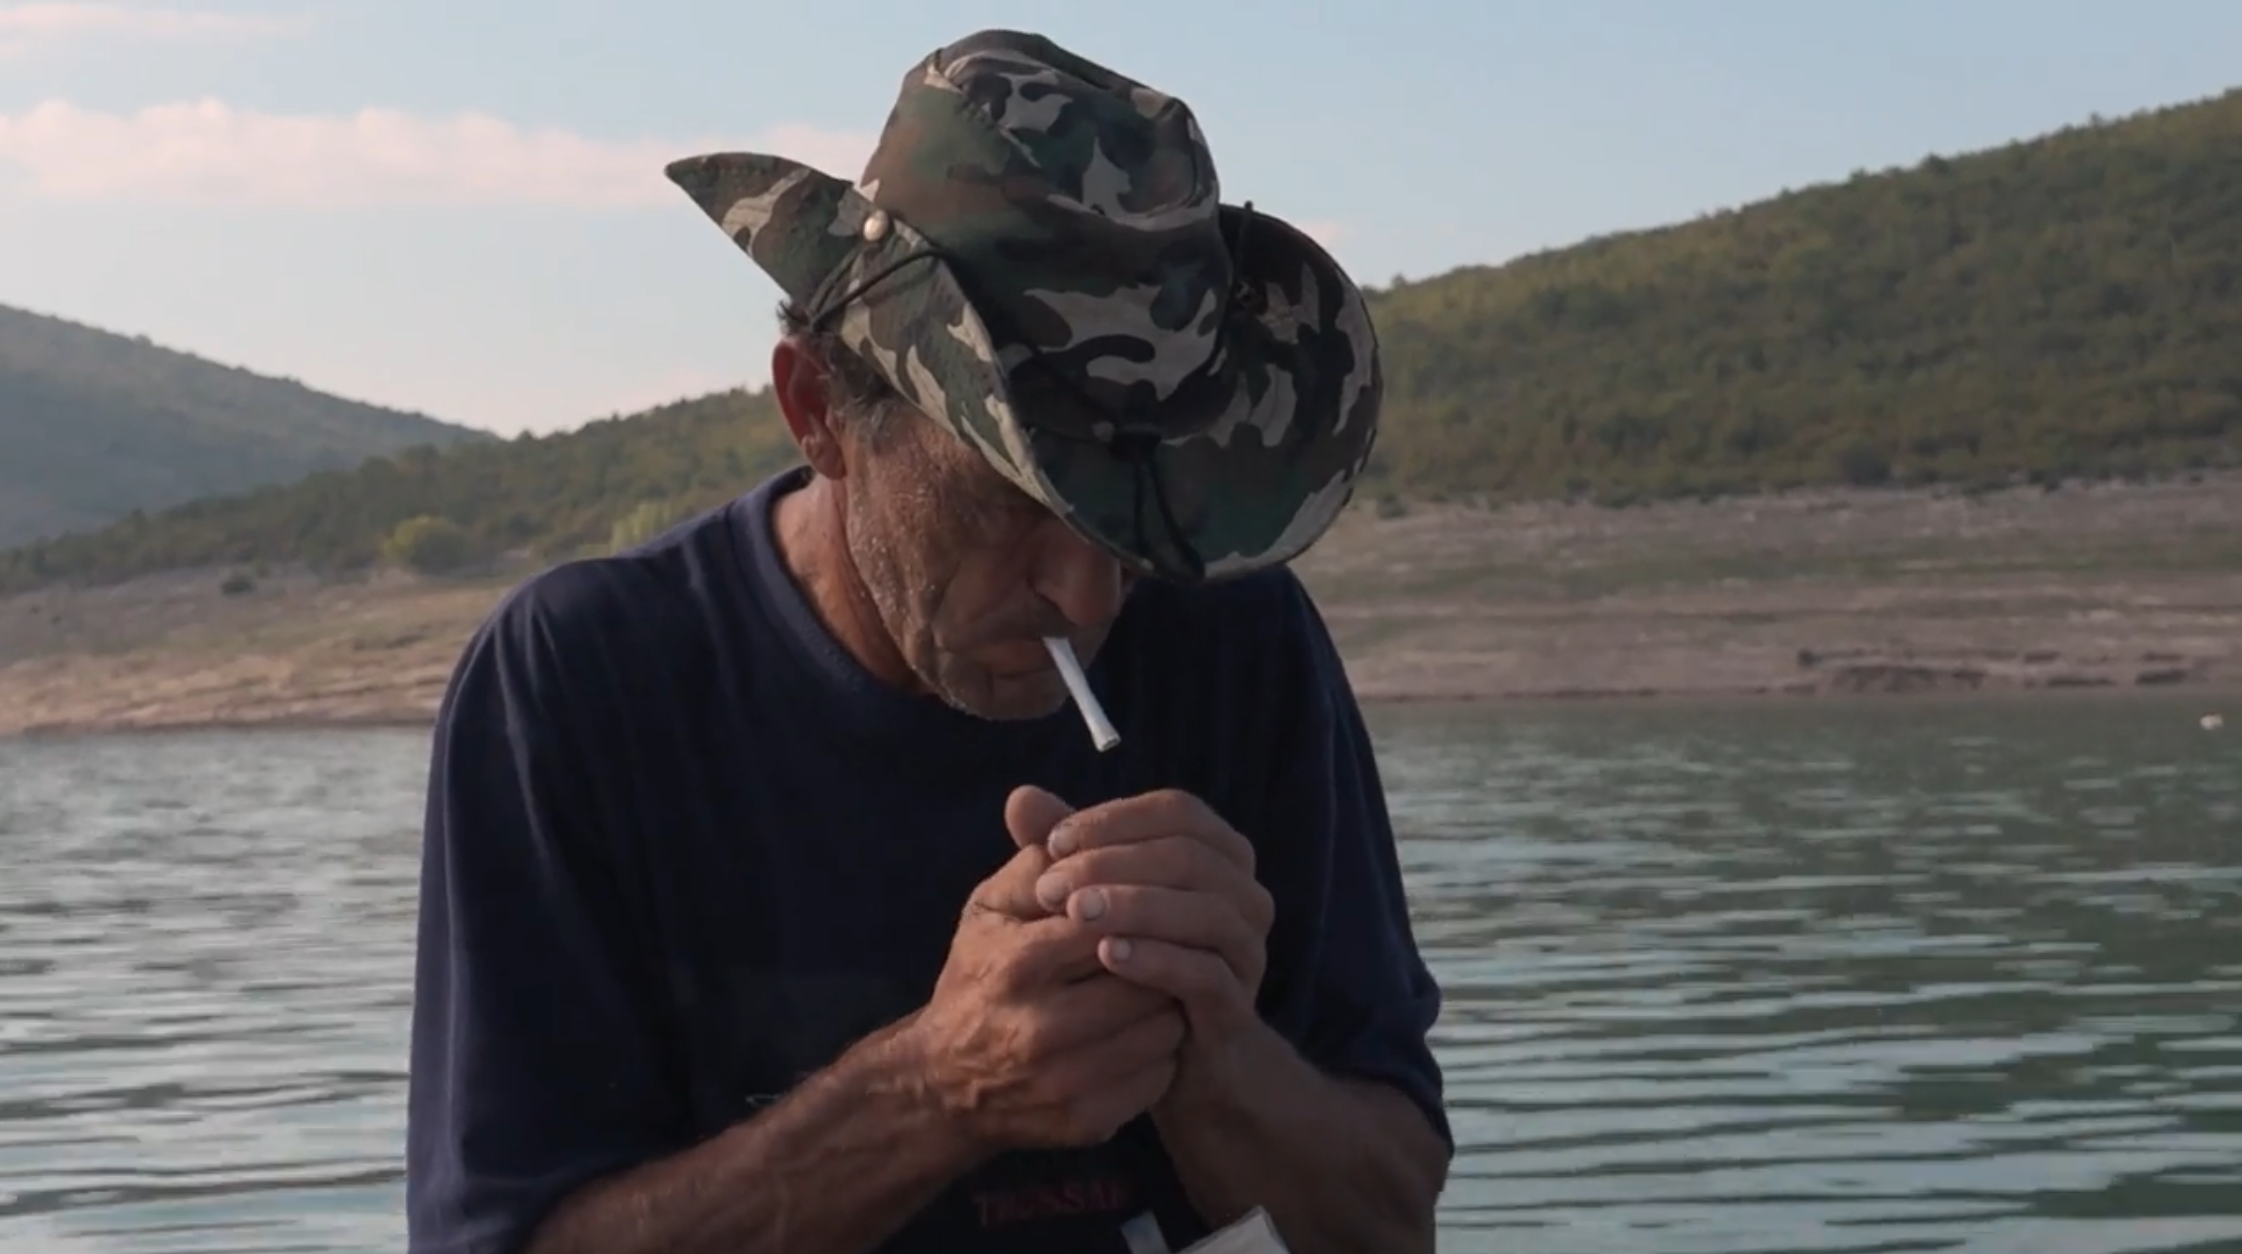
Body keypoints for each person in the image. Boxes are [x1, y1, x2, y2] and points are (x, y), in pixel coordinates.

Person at [404, 27, 1451, 1254]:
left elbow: (1389, 1222)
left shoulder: (1236, 638)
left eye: (1135, 508)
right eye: (1013, 496)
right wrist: (933, 1090)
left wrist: (1217, 1054)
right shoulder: (582, 683)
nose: (1089, 594)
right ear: (819, 411)